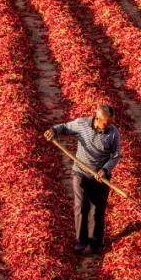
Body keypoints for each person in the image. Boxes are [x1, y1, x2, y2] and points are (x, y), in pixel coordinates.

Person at [44, 104, 121, 254]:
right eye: (106, 123)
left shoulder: (113, 133)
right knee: (81, 206)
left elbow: (116, 156)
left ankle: (96, 244)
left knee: (97, 210)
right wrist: (53, 131)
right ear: (97, 118)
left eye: (111, 122)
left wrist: (105, 169)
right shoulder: (82, 124)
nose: (109, 126)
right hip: (81, 172)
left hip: (101, 176)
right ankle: (81, 242)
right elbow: (65, 127)